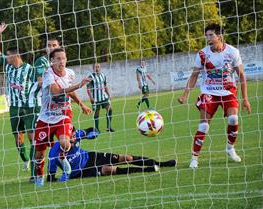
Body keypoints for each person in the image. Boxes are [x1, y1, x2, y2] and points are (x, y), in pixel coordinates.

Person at [178, 23, 251, 169]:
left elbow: (241, 76)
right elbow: (194, 75)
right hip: (209, 92)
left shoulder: (232, 52)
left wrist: (245, 99)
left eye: (211, 35)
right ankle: (194, 158)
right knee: (204, 125)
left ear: (219, 36)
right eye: (206, 35)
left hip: (228, 92)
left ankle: (230, 148)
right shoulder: (202, 54)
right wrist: (185, 95)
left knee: (233, 118)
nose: (208, 38)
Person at [34, 48, 93, 187]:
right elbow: (55, 92)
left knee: (65, 143)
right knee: (39, 155)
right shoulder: (48, 74)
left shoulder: (70, 73)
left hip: (63, 115)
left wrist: (81, 104)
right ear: (52, 61)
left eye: (64, 58)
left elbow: (70, 91)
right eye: (58, 59)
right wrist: (78, 85)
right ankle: (39, 177)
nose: (62, 61)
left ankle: (63, 161)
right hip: (46, 118)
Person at [0, 23, 39, 182]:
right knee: (18, 141)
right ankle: (26, 160)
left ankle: (35, 172)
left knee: (32, 138)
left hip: (28, 107)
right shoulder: (7, 65)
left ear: (15, 55)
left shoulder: (30, 69)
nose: (6, 57)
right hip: (14, 108)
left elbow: (38, 85)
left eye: (8, 55)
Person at [47, 127, 176, 182]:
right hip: (81, 171)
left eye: (75, 134)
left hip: (91, 156)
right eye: (72, 136)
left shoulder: (77, 134)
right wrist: (58, 178)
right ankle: (148, 170)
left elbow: (94, 130)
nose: (74, 137)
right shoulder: (54, 152)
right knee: (109, 170)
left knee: (126, 158)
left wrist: (91, 134)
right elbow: (51, 175)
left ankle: (161, 163)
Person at [86, 63, 114, 132]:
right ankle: (97, 129)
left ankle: (109, 127)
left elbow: (105, 86)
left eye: (98, 67)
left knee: (110, 109)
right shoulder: (91, 77)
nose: (97, 68)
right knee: (97, 113)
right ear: (93, 68)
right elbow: (88, 88)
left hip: (104, 97)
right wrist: (91, 98)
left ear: (100, 68)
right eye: (95, 67)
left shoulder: (103, 75)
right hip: (96, 99)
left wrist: (109, 94)